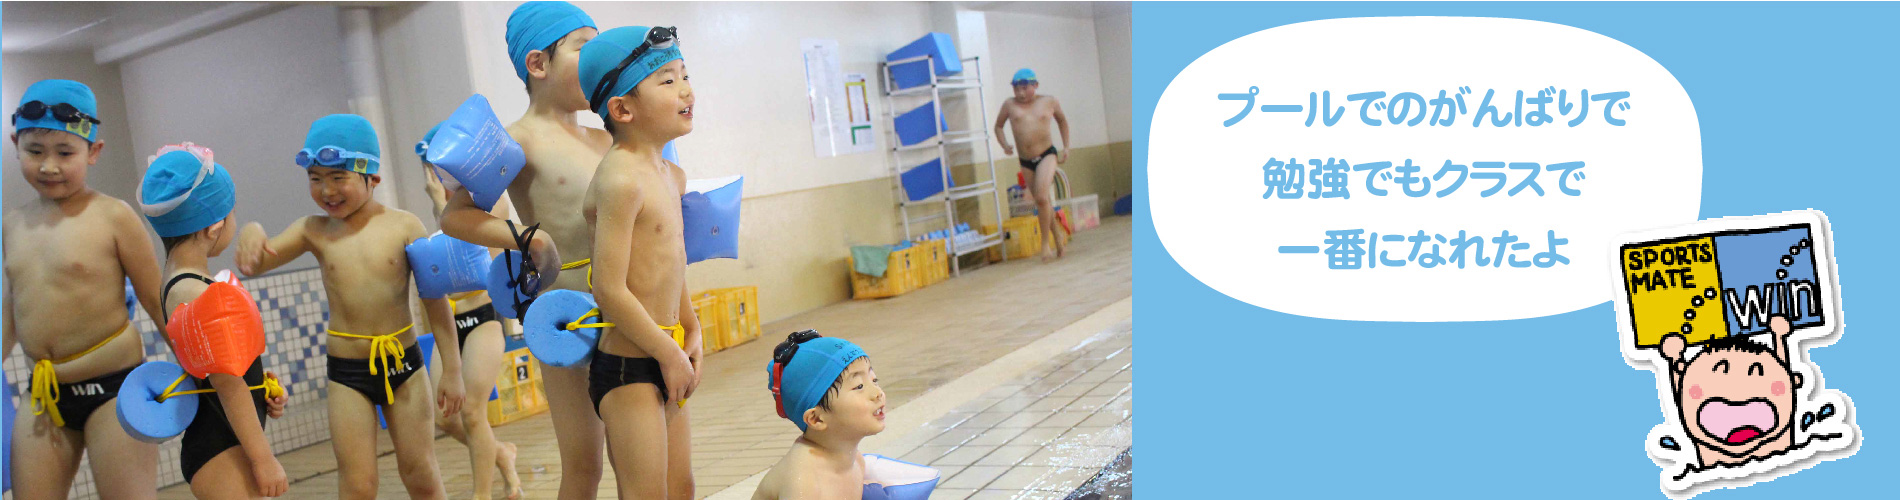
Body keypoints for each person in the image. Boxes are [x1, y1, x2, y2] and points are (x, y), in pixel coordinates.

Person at [236, 114, 462, 499]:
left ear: (372, 177)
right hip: (347, 372)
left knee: (421, 473)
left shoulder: (405, 227)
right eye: (315, 178)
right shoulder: (313, 230)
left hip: (404, 366)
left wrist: (452, 369)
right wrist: (252, 230)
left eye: (338, 177)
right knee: (358, 485)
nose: (327, 190)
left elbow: (435, 303)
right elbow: (255, 264)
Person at [437, 5, 605, 495]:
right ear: (538, 63)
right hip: (565, 317)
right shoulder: (516, 140)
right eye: (583, 47)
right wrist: (527, 237)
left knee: (640, 454)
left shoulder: (606, 137)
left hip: (629, 307)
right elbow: (455, 215)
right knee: (584, 464)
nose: (598, 59)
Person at [3, 79, 170, 499]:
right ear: (15, 145)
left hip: (114, 390)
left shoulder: (113, 216)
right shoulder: (12, 225)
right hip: (45, 393)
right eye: (35, 151)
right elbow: (11, 310)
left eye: (65, 153)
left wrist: (210, 374)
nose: (49, 166)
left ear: (93, 152)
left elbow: (156, 300)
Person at [577, 24, 704, 499]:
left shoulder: (671, 174)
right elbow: (609, 290)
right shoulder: (621, 180)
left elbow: (673, 264)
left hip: (668, 350)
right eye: (667, 80)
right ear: (622, 109)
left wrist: (691, 329)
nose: (685, 89)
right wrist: (668, 354)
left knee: (681, 488)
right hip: (629, 368)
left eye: (685, 75)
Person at [140, 142, 292, 498]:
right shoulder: (195, 291)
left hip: (223, 438)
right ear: (213, 226)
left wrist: (261, 387)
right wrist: (264, 459)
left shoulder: (182, 279)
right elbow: (227, 384)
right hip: (220, 447)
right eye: (231, 213)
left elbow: (221, 367)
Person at [417, 123, 524, 500]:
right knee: (445, 418)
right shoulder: (445, 201)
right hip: (451, 321)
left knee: (474, 412)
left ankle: (482, 495)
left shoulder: (491, 200)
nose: (436, 178)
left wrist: (440, 205)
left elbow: (471, 252)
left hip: (483, 318)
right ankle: (500, 454)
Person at [753, 331, 888, 500]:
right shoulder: (804, 483)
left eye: (874, 380)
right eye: (859, 386)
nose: (877, 393)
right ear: (816, 419)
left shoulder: (855, 461)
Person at [993, 68, 1072, 261]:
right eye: (1016, 89)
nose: (1020, 93)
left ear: (1035, 85)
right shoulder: (1009, 105)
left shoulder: (1049, 101)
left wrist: (1066, 147)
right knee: (1042, 201)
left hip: (1047, 155)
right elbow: (998, 126)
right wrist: (1004, 144)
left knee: (1042, 197)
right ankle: (1057, 237)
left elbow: (1062, 121)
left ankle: (1045, 245)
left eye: (1024, 88)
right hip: (1025, 160)